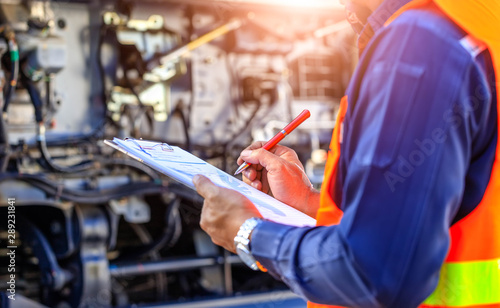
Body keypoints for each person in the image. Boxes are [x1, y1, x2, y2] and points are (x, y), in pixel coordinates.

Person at [193, 0, 500, 307]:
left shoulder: (418, 43)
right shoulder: (479, 22)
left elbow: (377, 272)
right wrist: (307, 205)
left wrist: (248, 233)